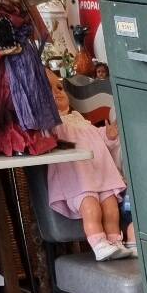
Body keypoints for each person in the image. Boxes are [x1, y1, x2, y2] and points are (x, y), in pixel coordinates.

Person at [46, 69, 135, 260]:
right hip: (78, 181)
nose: (57, 92)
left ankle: (114, 241)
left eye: (59, 87)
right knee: (91, 209)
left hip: (100, 176)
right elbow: (52, 142)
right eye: (48, 89)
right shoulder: (53, 125)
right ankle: (98, 243)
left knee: (111, 208)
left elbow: (96, 137)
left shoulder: (78, 118)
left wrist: (108, 135)